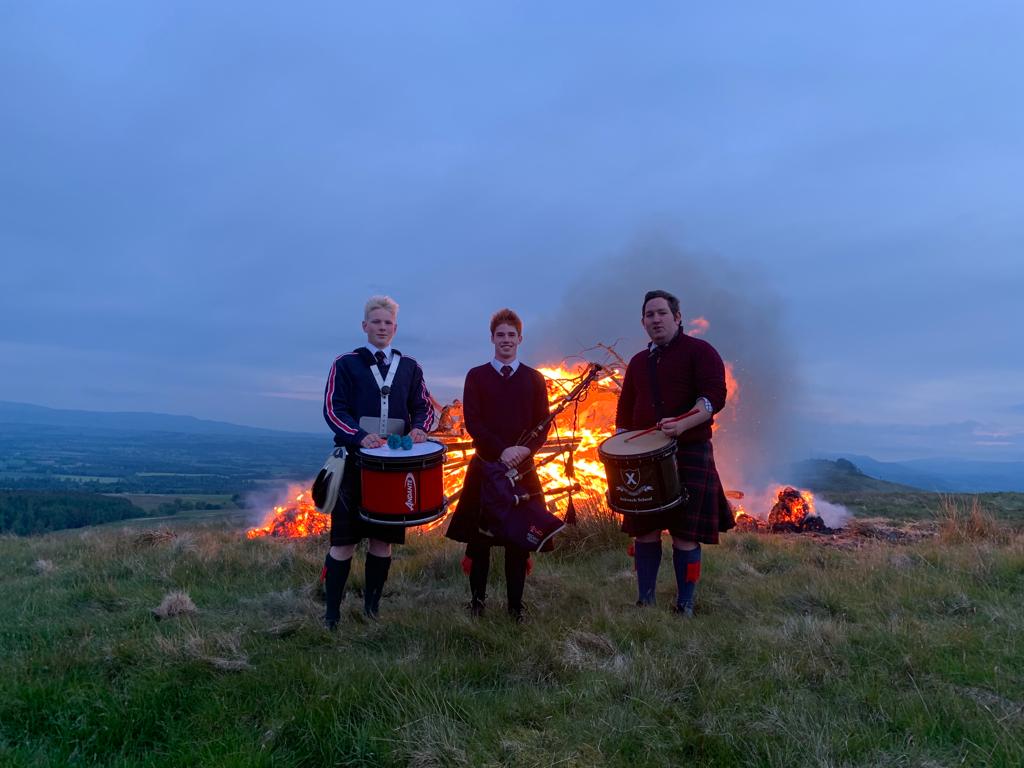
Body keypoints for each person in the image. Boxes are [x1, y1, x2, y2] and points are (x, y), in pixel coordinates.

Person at [616, 290, 733, 616]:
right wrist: (620, 450)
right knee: (645, 531)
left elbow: (713, 397)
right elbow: (625, 411)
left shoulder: (700, 351)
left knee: (685, 534)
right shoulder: (638, 362)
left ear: (677, 317)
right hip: (642, 460)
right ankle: (645, 600)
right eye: (649, 315)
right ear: (643, 322)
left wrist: (683, 424)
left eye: (662, 313)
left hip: (689, 452)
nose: (655, 319)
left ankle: (685, 604)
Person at [320, 295, 435, 628]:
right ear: (364, 326)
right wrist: (359, 436)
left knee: (383, 542)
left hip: (393, 469)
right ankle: (332, 614)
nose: (382, 327)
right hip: (354, 464)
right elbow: (333, 409)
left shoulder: (410, 366)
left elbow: (423, 407)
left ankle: (372, 610)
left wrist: (419, 429)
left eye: (388, 323)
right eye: (376, 322)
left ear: (395, 328)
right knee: (343, 542)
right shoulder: (345, 363)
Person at [445, 309, 550, 622]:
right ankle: (477, 603)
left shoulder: (534, 378)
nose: (506, 340)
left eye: (511, 335)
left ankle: (515, 607)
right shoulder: (476, 376)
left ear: (520, 338)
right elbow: (474, 422)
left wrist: (523, 450)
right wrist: (502, 450)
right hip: (487, 466)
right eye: (500, 335)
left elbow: (542, 425)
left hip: (523, 469)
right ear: (492, 338)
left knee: (517, 539)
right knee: (481, 540)